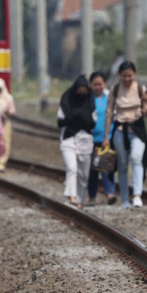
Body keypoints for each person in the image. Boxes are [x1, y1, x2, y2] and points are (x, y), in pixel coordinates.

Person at [102, 61, 147, 209]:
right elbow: (108, 114)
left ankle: (137, 195)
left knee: (137, 158)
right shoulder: (115, 89)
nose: (127, 79)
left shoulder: (140, 89)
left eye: (129, 76)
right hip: (119, 130)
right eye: (124, 76)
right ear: (119, 75)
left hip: (137, 129)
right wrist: (106, 137)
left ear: (134, 75)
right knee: (122, 164)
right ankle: (125, 199)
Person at [58, 75, 97, 209]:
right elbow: (60, 121)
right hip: (68, 138)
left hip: (85, 140)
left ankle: (80, 198)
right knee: (72, 168)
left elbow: (92, 122)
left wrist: (82, 119)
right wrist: (73, 119)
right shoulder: (66, 100)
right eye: (79, 90)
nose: (81, 93)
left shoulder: (90, 102)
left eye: (84, 90)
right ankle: (72, 196)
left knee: (84, 173)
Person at [86, 72, 117, 206]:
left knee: (107, 166)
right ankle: (92, 196)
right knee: (92, 169)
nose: (98, 87)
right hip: (90, 139)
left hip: (106, 138)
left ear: (104, 84)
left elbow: (111, 117)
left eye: (100, 84)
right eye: (95, 84)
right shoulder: (87, 98)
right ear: (91, 85)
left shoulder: (109, 97)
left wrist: (107, 137)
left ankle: (110, 194)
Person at [0, 78, 16, 173]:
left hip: (4, 122)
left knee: (5, 143)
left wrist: (8, 112)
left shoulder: (8, 98)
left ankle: (1, 163)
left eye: (0, 88)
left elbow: (12, 110)